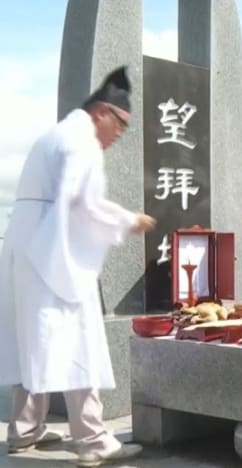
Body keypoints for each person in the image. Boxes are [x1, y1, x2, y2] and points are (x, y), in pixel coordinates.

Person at [0, 66, 156, 467]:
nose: (118, 135)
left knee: (32, 341)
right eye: (120, 125)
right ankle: (93, 438)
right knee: (78, 341)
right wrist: (128, 220)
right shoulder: (81, 142)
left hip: (25, 245)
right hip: (54, 252)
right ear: (102, 112)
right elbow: (83, 205)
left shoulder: (54, 136)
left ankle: (23, 430)